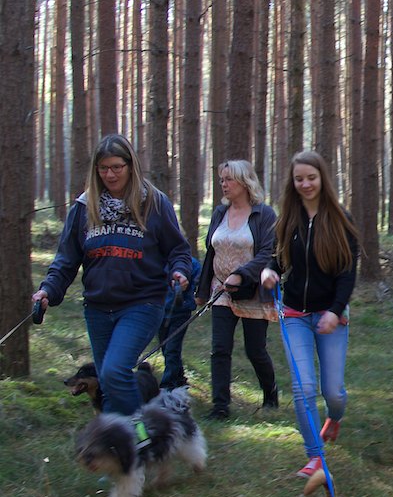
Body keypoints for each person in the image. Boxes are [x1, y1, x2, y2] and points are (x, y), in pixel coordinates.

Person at [32, 133, 192, 415]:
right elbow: (66, 260)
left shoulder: (154, 203)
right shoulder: (84, 207)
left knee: (115, 371)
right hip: (97, 308)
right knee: (108, 382)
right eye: (103, 168)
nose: (110, 174)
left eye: (117, 167)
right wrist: (48, 291)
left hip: (142, 304)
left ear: (131, 166)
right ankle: (120, 437)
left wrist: (180, 271)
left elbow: (178, 249)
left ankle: (140, 433)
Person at [260, 151, 359, 478]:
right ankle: (315, 457)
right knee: (303, 387)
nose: (305, 184)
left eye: (311, 178)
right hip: (294, 315)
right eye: (299, 179)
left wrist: (334, 311)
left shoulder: (340, 219)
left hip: (331, 316)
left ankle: (335, 416)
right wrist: (268, 272)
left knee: (334, 392)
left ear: (322, 179)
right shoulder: (288, 219)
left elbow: (347, 274)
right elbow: (276, 259)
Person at [196, 160, 279, 420]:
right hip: (220, 289)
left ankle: (271, 395)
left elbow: (268, 253)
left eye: (229, 179)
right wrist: (202, 290)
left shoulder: (264, 214)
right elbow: (211, 252)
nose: (224, 184)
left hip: (253, 290)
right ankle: (220, 406)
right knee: (220, 348)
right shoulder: (219, 213)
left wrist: (241, 274)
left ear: (245, 182)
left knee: (255, 350)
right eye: (222, 179)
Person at [158, 254, 202, 390]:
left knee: (172, 349)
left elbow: (198, 288)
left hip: (180, 313)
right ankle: (179, 378)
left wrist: (189, 301)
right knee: (165, 348)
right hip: (159, 312)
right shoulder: (158, 260)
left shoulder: (192, 264)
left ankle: (167, 386)